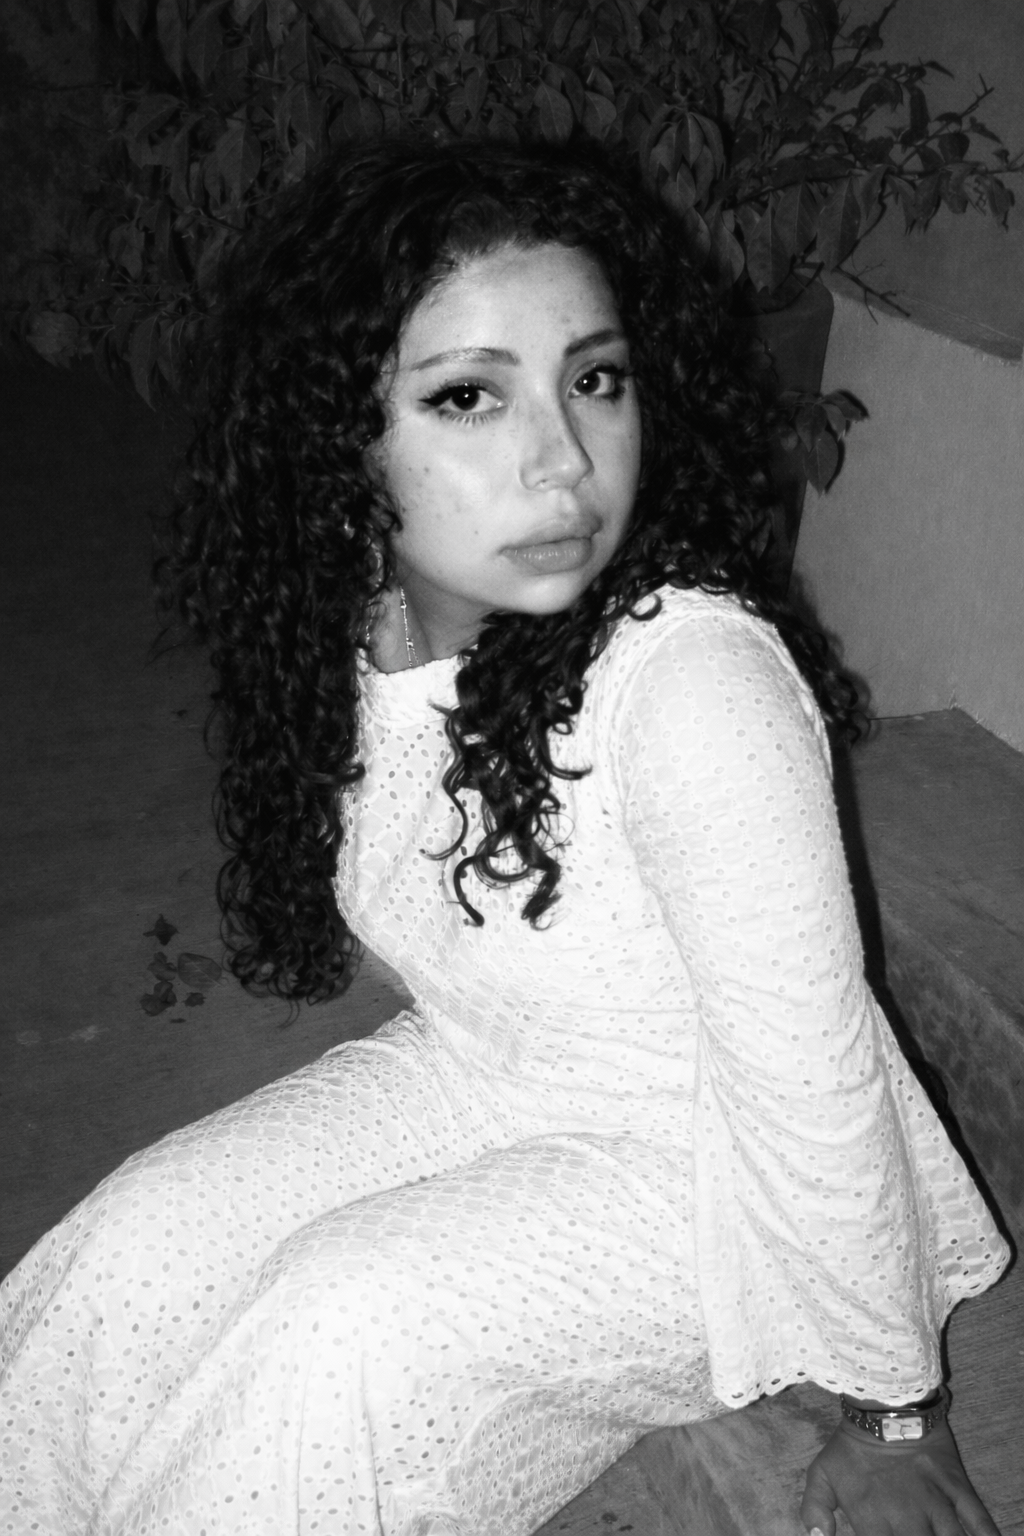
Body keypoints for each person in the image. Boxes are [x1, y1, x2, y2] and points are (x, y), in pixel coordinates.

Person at [0, 138, 1010, 1536]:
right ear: (338, 433)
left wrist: (897, 1415)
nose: (563, 460)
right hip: (490, 1078)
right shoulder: (346, 626)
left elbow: (813, 1085)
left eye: (595, 378)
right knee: (134, 1249)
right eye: (470, 396)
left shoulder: (692, 684)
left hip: (707, 1177)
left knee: (335, 1331)